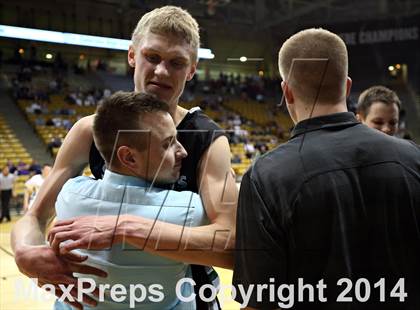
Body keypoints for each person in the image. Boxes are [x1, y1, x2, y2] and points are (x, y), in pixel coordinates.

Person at [12, 6, 237, 310]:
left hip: (182, 298)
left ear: (192, 69)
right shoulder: (89, 130)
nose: (161, 71)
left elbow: (231, 244)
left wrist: (128, 228)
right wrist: (25, 251)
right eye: (152, 57)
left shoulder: (208, 140)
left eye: (176, 62)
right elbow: (34, 217)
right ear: (132, 55)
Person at [232, 28, 420, 309]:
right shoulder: (412, 158)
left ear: (287, 92)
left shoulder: (266, 176)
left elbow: (258, 300)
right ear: (346, 86)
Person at [53, 91, 212, 309]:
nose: (182, 151)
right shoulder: (189, 209)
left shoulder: (69, 194)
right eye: (168, 144)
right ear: (128, 157)